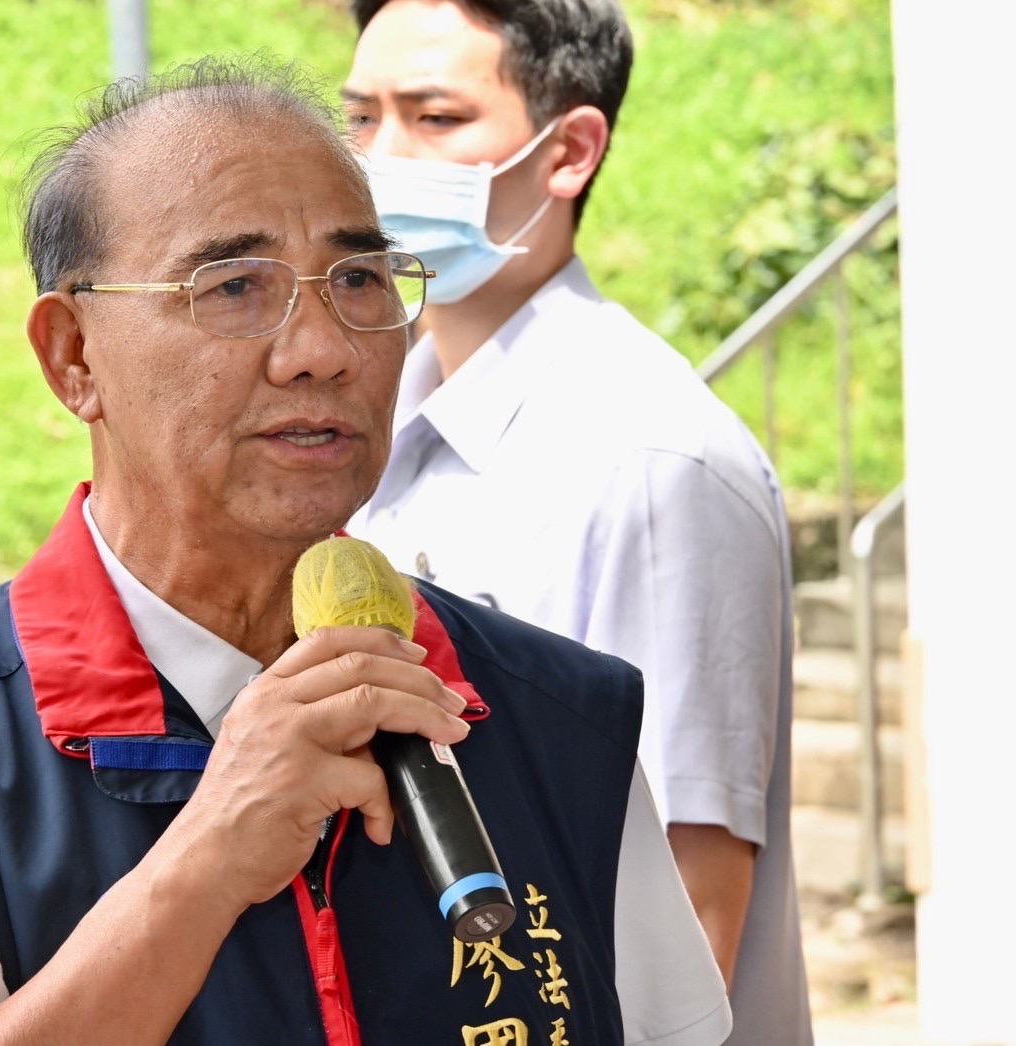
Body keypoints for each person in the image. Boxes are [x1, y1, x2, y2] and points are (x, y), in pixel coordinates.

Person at [0, 56, 733, 1045]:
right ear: (73, 356)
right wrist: (208, 857)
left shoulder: (557, 718)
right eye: (233, 286)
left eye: (358, 278)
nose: (322, 349)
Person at [341, 3, 812, 1042]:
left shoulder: (651, 464)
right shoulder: (373, 425)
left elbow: (690, 909)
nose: (380, 162)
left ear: (569, 152)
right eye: (361, 118)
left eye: (434, 118)